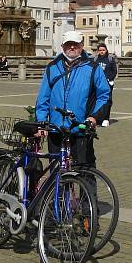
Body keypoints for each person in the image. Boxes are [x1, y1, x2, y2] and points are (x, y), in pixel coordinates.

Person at [35, 30, 111, 169]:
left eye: (75, 44)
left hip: (80, 127)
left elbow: (104, 95)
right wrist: (41, 121)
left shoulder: (92, 68)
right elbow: (43, 97)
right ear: (63, 46)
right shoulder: (52, 67)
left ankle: (87, 191)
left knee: (84, 170)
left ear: (81, 46)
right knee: (56, 171)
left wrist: (94, 117)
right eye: (68, 44)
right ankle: (57, 191)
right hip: (56, 128)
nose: (72, 47)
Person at [94, 43, 118, 127]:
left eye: (103, 50)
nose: (102, 52)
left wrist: (109, 79)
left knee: (107, 101)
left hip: (108, 83)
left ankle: (106, 119)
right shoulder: (95, 59)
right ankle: (97, 118)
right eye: (100, 50)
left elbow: (114, 71)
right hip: (97, 84)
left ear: (106, 50)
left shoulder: (110, 59)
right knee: (97, 101)